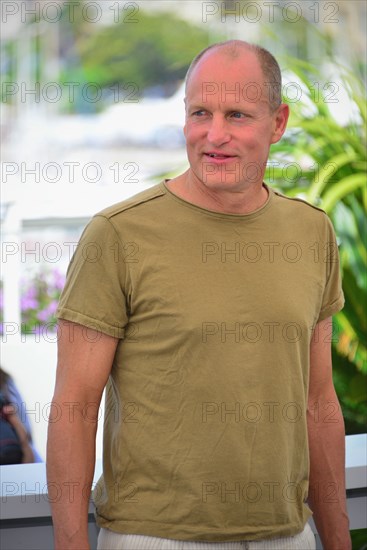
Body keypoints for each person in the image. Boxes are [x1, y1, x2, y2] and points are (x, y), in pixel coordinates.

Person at [47, 40, 351, 550]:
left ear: (277, 123)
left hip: (289, 535)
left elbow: (318, 403)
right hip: (153, 537)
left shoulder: (311, 233)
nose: (215, 135)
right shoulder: (117, 235)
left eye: (237, 115)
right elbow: (74, 407)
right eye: (199, 113)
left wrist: (338, 541)